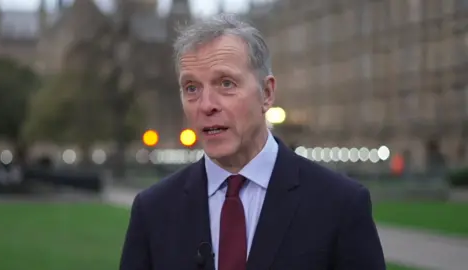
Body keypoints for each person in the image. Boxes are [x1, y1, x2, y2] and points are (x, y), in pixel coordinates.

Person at [119, 13, 386, 270]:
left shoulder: (340, 205)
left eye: (226, 83)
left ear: (267, 93)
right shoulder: (153, 211)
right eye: (192, 88)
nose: (206, 105)